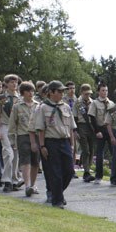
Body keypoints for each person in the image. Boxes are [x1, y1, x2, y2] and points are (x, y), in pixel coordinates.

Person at [34, 80, 77, 209]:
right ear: (51, 92)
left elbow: (71, 128)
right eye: (59, 91)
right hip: (51, 141)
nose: (62, 93)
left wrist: (72, 145)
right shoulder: (43, 107)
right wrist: (42, 146)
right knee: (56, 172)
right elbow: (40, 128)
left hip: (65, 141)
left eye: (63, 91)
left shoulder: (66, 107)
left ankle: (56, 193)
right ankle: (57, 200)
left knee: (69, 171)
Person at [9, 81, 40, 197]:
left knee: (35, 162)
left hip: (36, 135)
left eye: (32, 91)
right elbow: (12, 124)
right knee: (25, 160)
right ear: (23, 93)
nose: (31, 93)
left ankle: (33, 184)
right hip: (23, 135)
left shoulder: (38, 106)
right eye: (28, 91)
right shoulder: (17, 106)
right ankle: (27, 185)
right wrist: (12, 139)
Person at [0, 74, 23, 192]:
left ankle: (15, 180)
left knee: (16, 155)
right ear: (6, 84)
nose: (14, 84)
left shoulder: (20, 98)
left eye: (15, 82)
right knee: (8, 153)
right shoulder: (1, 99)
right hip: (5, 127)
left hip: (17, 128)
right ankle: (6, 180)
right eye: (11, 82)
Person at [88, 82, 114, 184]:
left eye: (106, 90)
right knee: (100, 153)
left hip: (110, 129)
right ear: (99, 91)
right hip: (100, 128)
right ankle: (98, 176)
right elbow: (92, 117)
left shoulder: (111, 103)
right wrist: (97, 131)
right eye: (103, 90)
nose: (105, 92)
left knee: (114, 152)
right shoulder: (95, 103)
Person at [73, 83, 96, 182]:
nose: (88, 95)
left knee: (91, 150)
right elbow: (74, 117)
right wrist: (75, 131)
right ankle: (86, 172)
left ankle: (88, 169)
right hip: (81, 126)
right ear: (82, 92)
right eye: (86, 94)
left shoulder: (92, 102)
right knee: (85, 150)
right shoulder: (77, 103)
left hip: (91, 127)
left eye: (89, 93)